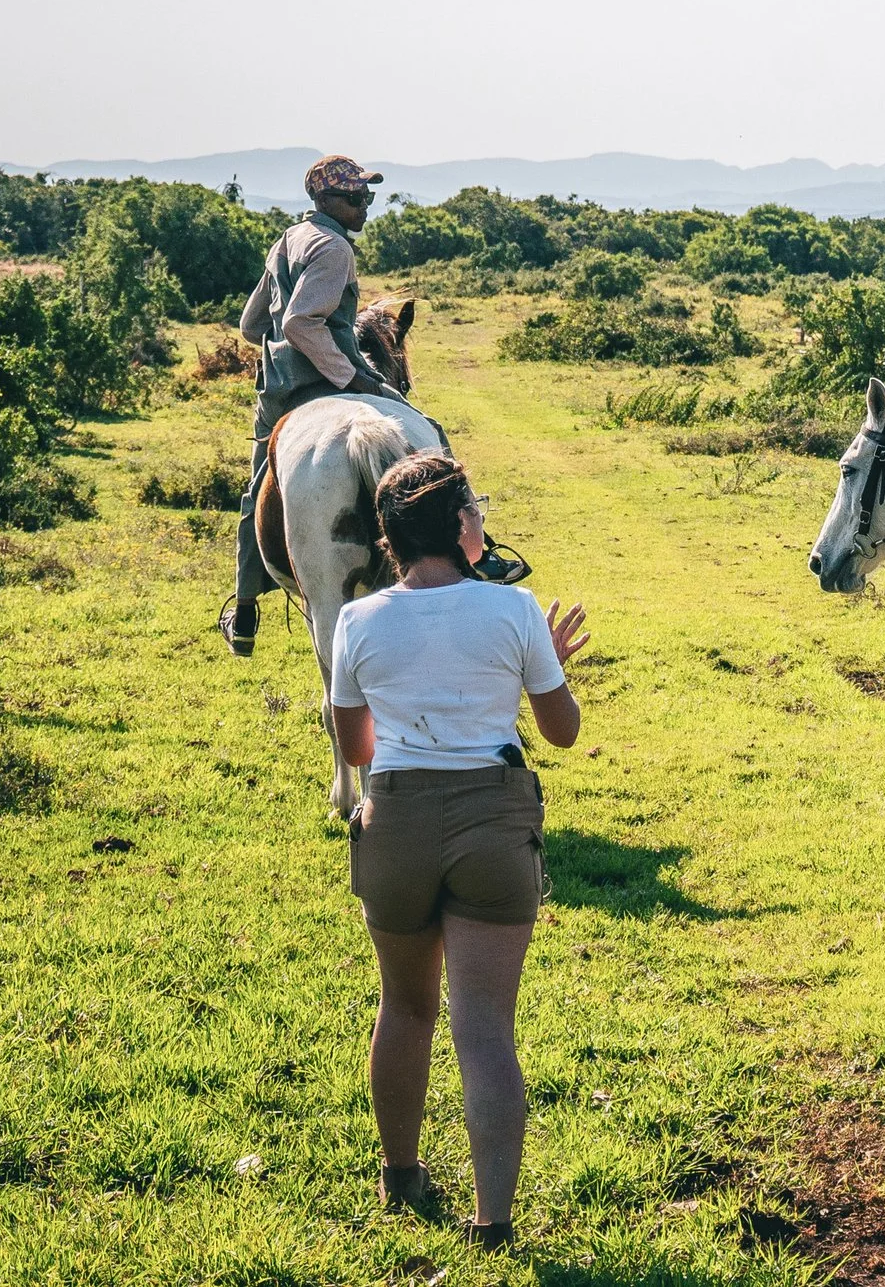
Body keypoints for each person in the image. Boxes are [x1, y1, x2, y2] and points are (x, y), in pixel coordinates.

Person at [328, 452, 589, 1251]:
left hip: (398, 824)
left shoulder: (357, 621)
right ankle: (494, 1224)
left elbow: (354, 745)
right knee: (484, 1030)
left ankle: (400, 1176)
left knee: (403, 1009)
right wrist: (541, 661)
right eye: (474, 508)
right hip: (493, 825)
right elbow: (561, 731)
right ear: (458, 525)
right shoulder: (510, 612)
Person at [223, 154, 519, 655]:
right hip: (326, 385)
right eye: (357, 197)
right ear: (328, 201)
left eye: (367, 196)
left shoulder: (286, 242)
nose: (365, 206)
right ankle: (479, 549)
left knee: (258, 494)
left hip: (276, 397)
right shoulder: (334, 247)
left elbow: (254, 326)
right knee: (429, 430)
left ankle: (246, 606)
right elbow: (301, 324)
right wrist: (352, 373)